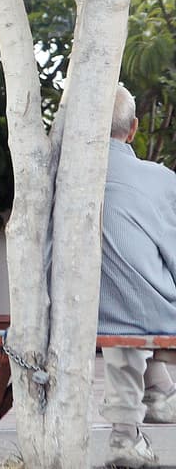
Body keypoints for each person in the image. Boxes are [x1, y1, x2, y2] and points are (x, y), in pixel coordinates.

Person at [98, 83, 176, 468]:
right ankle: (138, 421)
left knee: (115, 293)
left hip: (73, 316)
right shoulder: (159, 179)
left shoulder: (54, 177)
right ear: (133, 129)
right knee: (135, 298)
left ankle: (155, 397)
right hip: (138, 315)